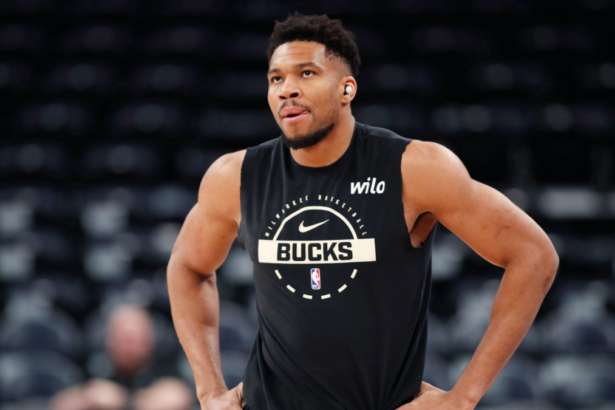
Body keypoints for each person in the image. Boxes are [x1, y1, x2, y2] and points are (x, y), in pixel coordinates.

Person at [167, 12, 559, 410]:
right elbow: (187, 267)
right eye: (276, 79)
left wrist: (463, 397)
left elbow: (533, 255)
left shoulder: (416, 168)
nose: (287, 90)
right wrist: (209, 390)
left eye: (306, 73)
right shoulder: (235, 176)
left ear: (346, 88)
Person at [50, 305, 194, 410]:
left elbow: (179, 396)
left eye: (134, 339)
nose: (129, 348)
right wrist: (87, 396)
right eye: (123, 340)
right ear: (109, 340)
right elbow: (61, 403)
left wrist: (126, 399)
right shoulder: (96, 367)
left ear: (149, 340)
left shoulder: (163, 365)